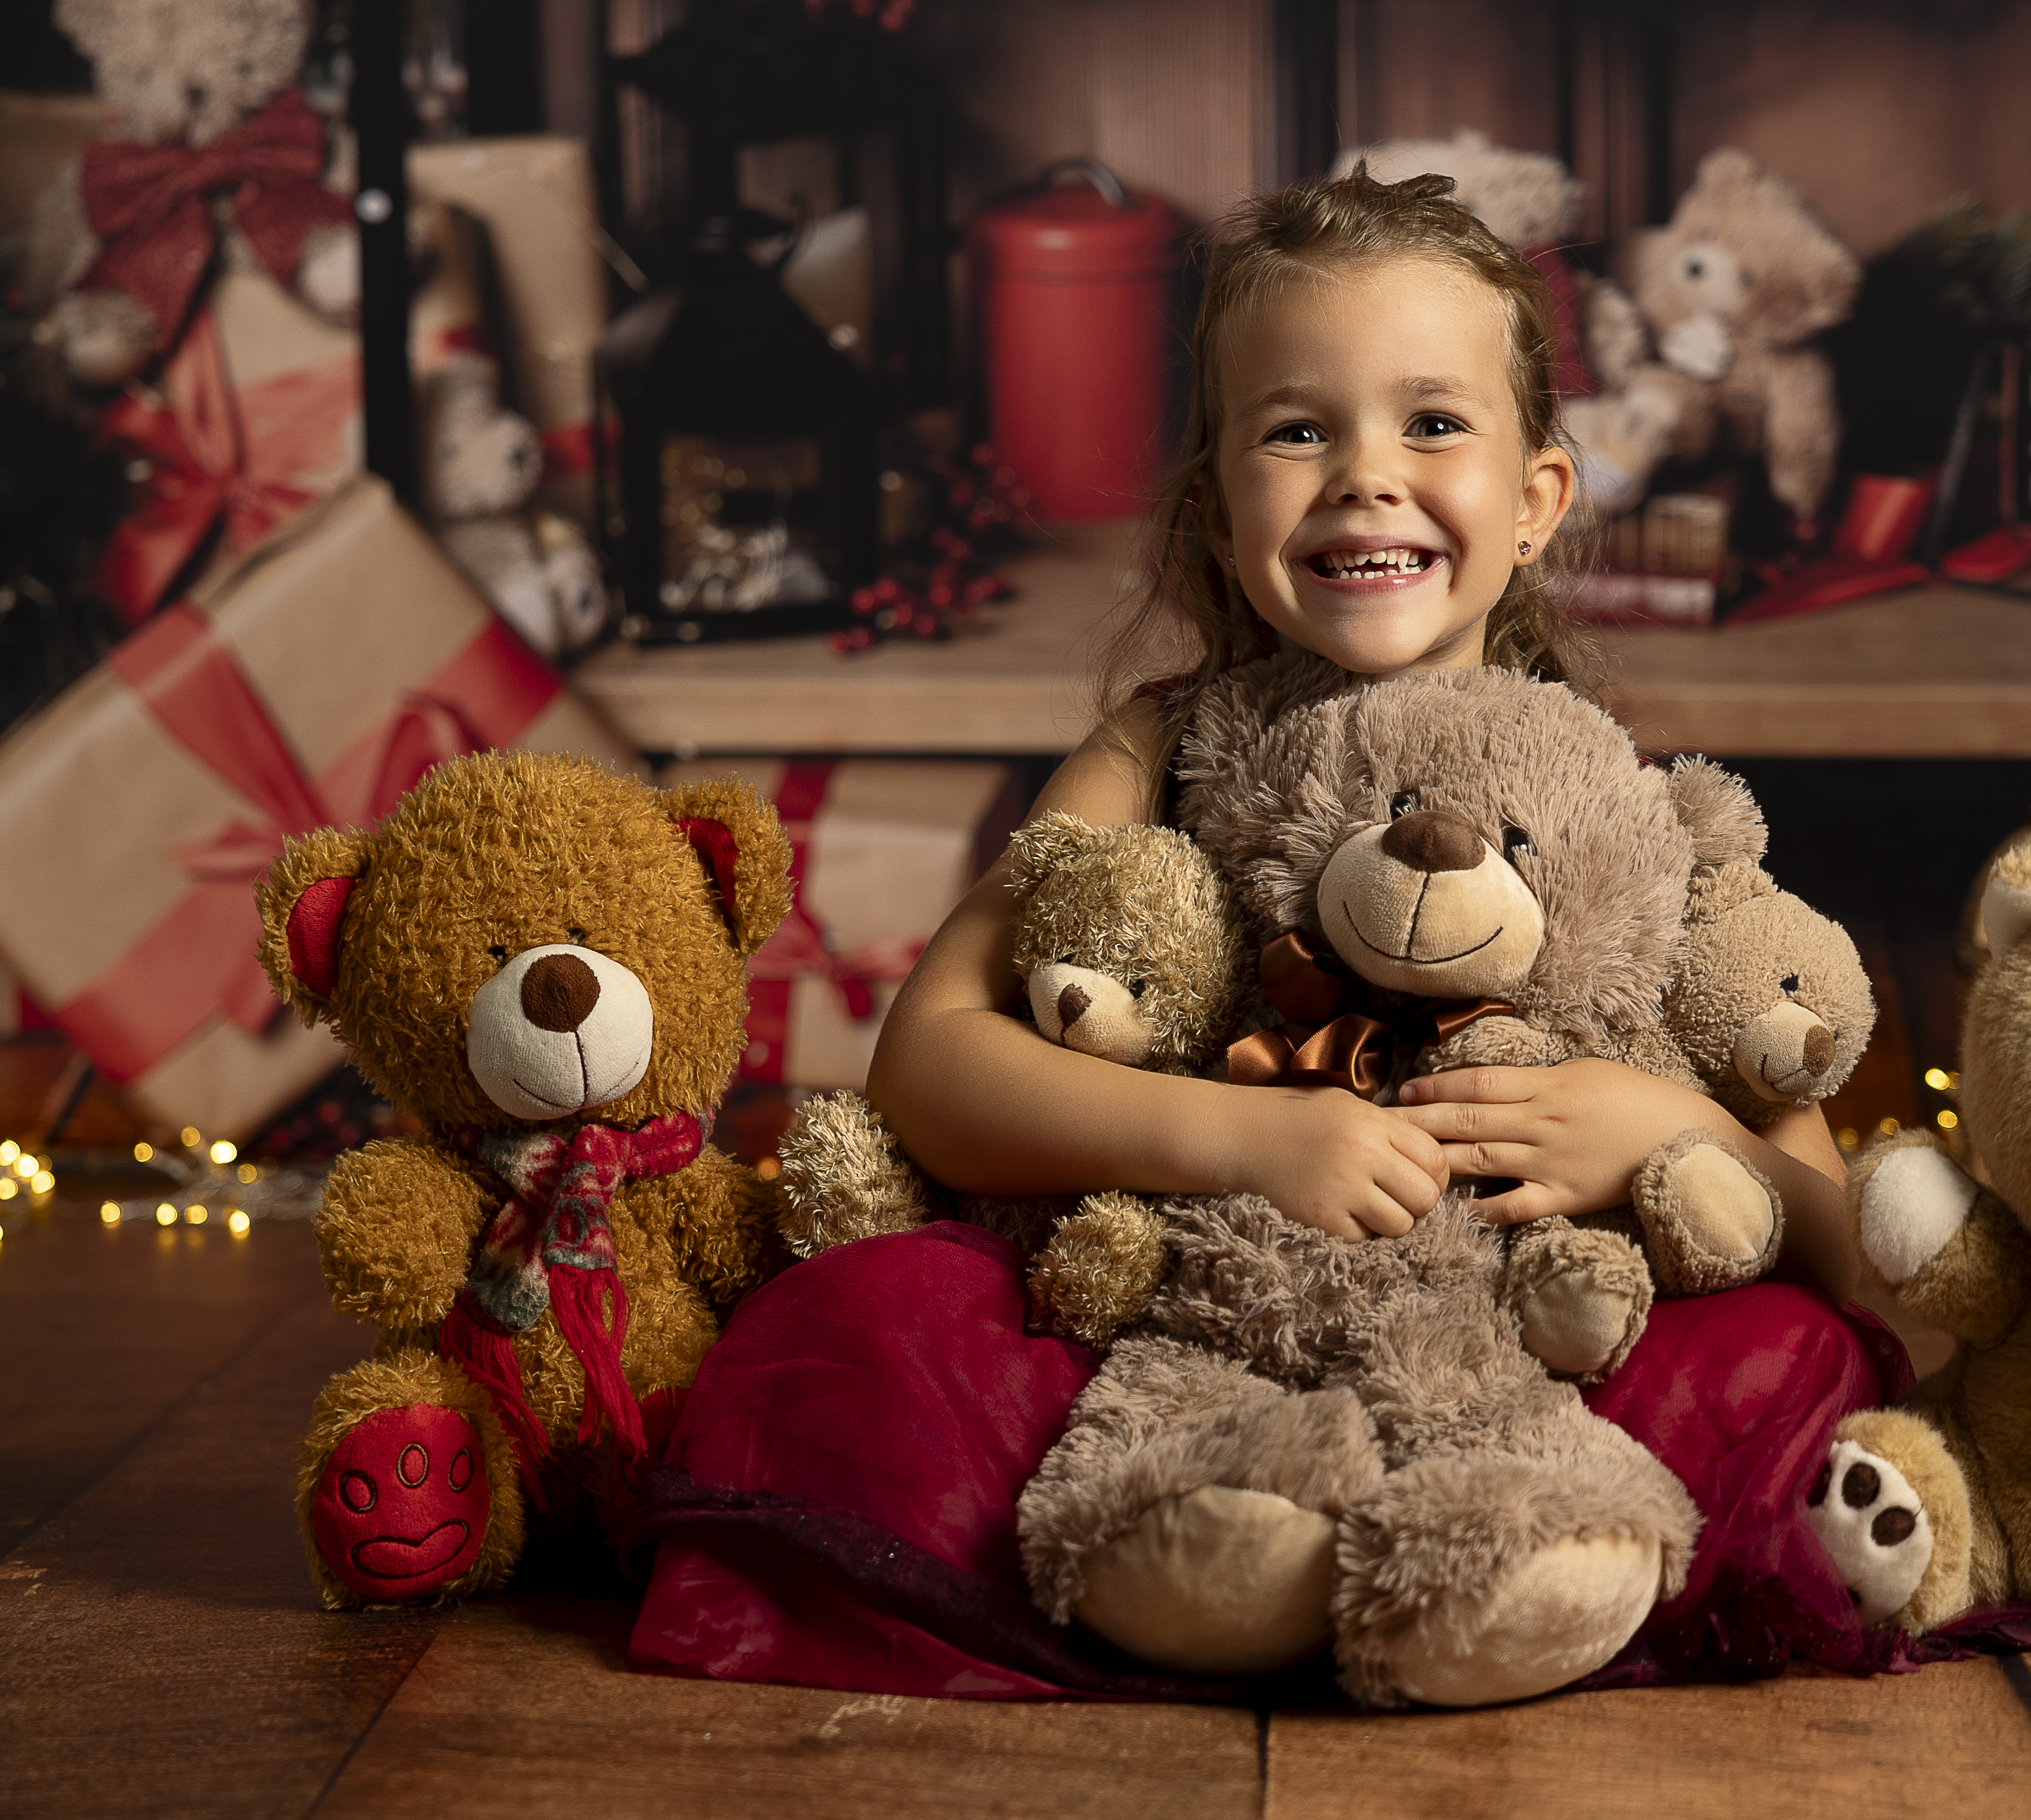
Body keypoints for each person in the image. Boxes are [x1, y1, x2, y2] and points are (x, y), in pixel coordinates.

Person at [628, 168, 1913, 1700]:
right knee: (875, 1311)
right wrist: (1242, 1142)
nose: (1366, 477)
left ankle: (1489, 1557)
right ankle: (1241, 1549)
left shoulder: (1605, 806)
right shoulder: (1154, 749)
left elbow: (1841, 1247)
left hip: (1513, 1338)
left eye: (1433, 424)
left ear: (1536, 502)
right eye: (1298, 429)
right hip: (1198, 1320)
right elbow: (929, 1063)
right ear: (1216, 509)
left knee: (1789, 1356)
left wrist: (1665, 1125)